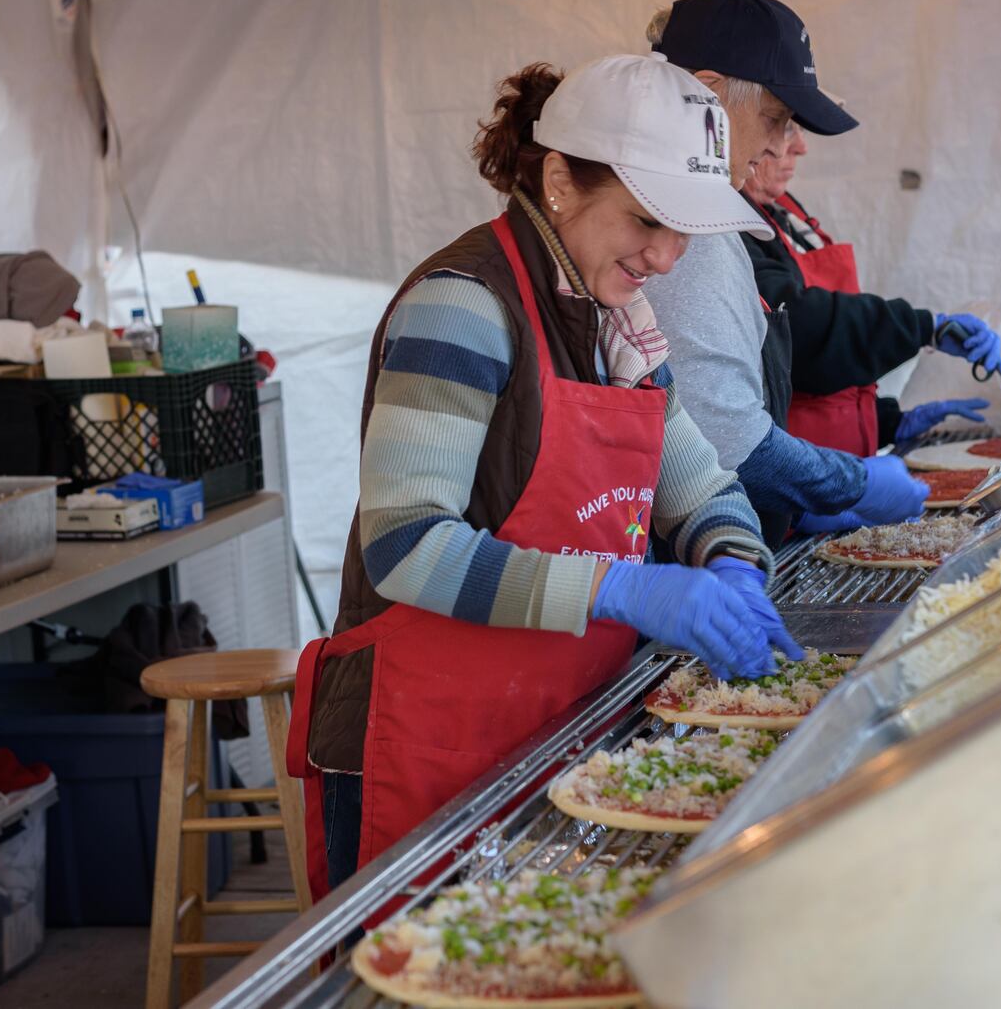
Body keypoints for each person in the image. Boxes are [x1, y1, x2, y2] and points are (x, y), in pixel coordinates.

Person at [287, 54, 801, 899]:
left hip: (551, 731)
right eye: (647, 221)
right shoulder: (461, 306)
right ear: (558, 181)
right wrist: (623, 591)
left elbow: (703, 488)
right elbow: (407, 546)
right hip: (427, 744)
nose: (668, 258)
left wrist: (734, 565)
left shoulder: (619, 327)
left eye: (686, 232)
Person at [639, 0, 934, 543]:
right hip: (690, 551)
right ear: (708, 96)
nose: (781, 146)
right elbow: (727, 441)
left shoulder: (713, 216)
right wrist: (848, 483)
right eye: (776, 118)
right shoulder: (684, 234)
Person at [742, 120, 1001, 456]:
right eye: (787, 127)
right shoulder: (729, 229)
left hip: (839, 457)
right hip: (796, 467)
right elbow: (801, 330)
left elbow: (829, 372)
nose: (800, 147)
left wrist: (887, 422)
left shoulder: (785, 212)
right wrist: (923, 327)